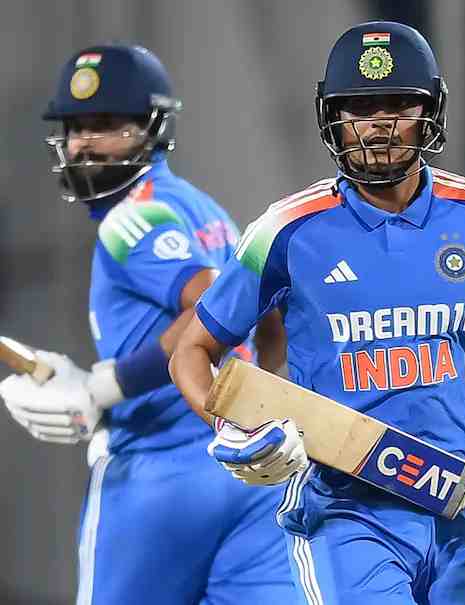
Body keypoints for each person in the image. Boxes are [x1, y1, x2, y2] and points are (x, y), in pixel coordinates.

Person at [170, 21, 465, 604]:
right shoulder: (285, 230)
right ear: (333, 116)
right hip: (345, 512)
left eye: (397, 105)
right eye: (359, 107)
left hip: (464, 514)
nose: (378, 124)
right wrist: (228, 427)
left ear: (430, 111)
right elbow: (192, 350)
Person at [0, 44, 294, 603]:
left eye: (104, 125)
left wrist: (108, 385)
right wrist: (265, 391)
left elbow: (210, 305)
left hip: (158, 473)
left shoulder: (131, 218)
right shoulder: (206, 209)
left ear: (151, 129)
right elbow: (268, 312)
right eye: (75, 128)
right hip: (248, 469)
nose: (82, 144)